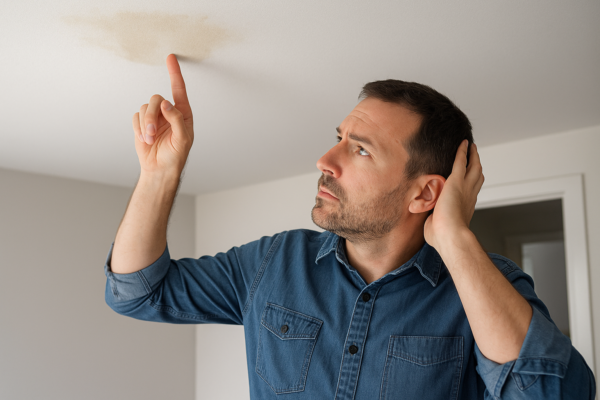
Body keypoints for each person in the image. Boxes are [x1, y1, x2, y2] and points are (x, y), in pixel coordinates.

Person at [104, 54, 595, 399]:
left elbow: (551, 394)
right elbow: (136, 292)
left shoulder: (486, 287)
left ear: (424, 194)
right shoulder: (273, 263)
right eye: (339, 138)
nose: (325, 159)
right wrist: (159, 173)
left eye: (360, 149)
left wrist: (453, 237)